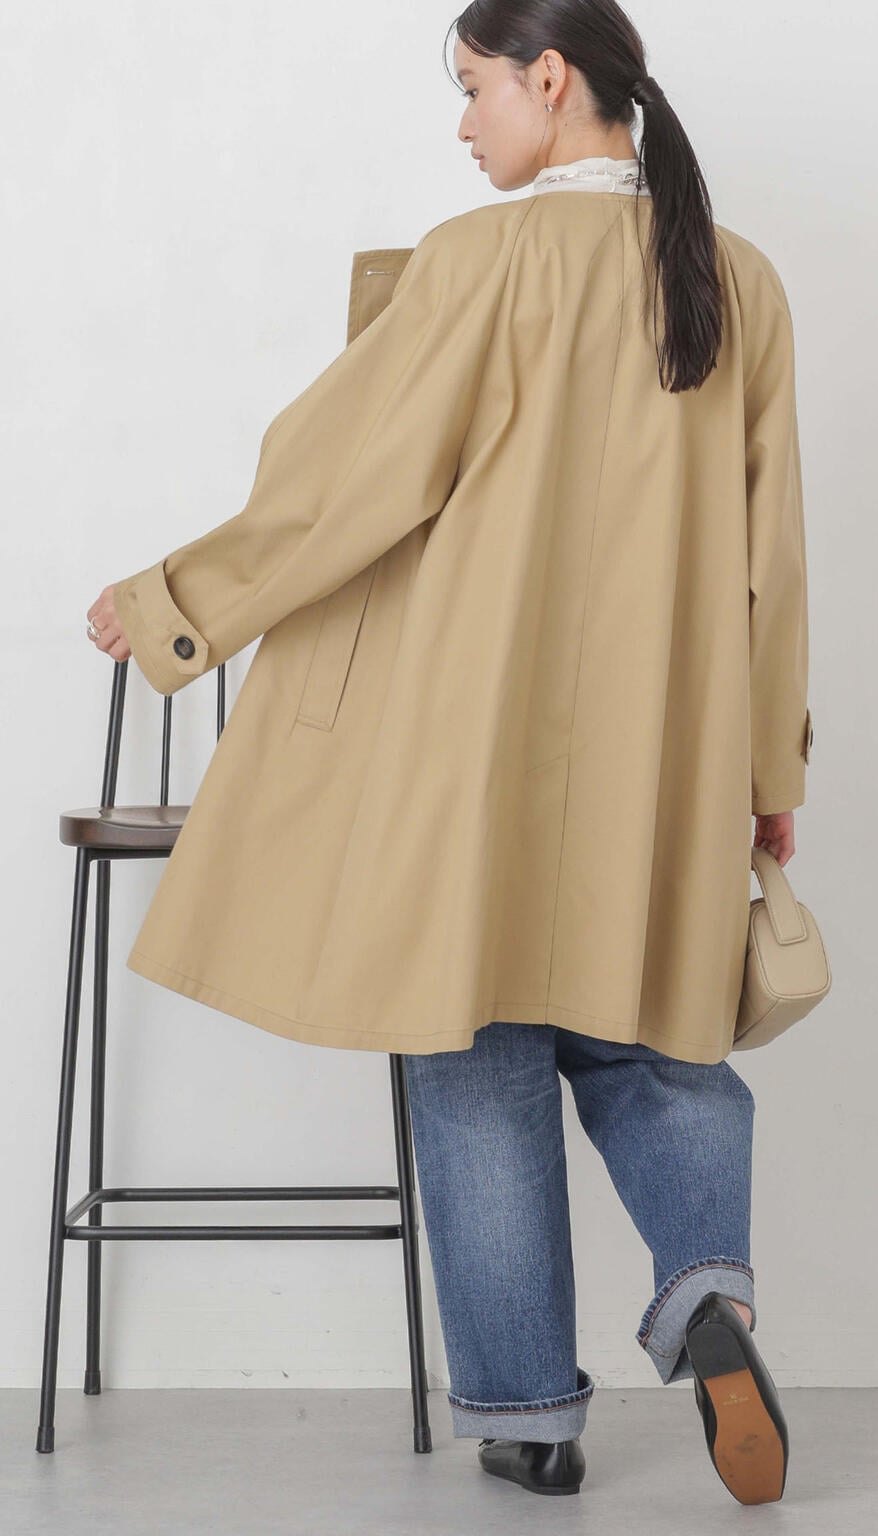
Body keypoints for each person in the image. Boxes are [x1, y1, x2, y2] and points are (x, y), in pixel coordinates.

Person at [84, 0, 808, 1507]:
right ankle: (707, 1295)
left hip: (470, 754)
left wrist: (174, 605)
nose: (463, 122)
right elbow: (772, 559)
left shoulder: (477, 264)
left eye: (475, 87)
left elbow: (343, 485)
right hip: (668, 755)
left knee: (473, 1051)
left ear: (550, 79)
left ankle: (531, 1417)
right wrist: (768, 777)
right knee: (658, 1041)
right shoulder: (735, 279)